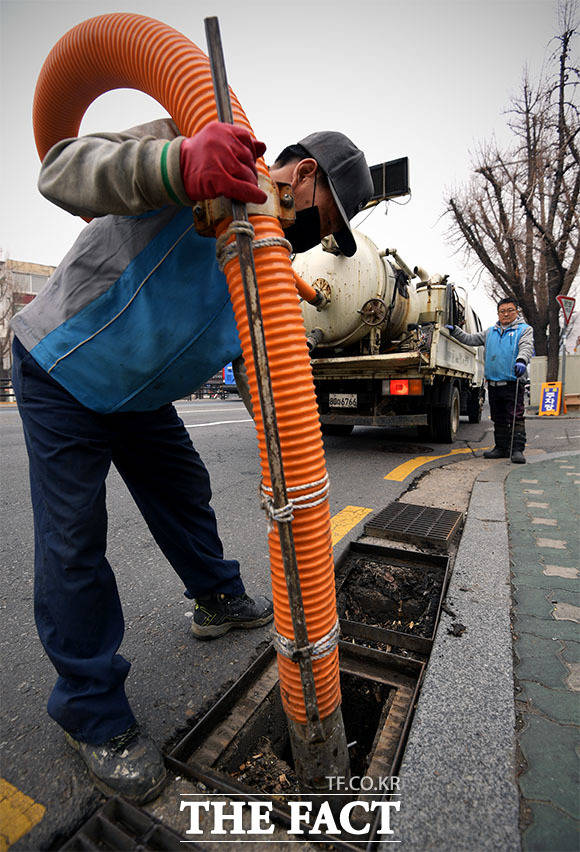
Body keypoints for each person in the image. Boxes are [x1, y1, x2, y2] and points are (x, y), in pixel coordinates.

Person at [11, 118, 373, 803]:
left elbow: (266, 370)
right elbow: (60, 168)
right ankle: (91, 712)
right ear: (303, 174)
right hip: (62, 366)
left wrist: (292, 459)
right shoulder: (197, 138)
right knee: (73, 539)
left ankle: (216, 597)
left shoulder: (268, 263)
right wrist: (177, 166)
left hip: (136, 393)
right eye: (326, 218)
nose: (317, 238)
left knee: (183, 486)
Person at [446, 298, 534, 463]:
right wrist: (455, 331)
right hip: (493, 383)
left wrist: (522, 360)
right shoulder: (490, 332)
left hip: (513, 382)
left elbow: (526, 347)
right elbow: (470, 339)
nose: (506, 314)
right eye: (502, 311)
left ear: (517, 312)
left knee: (515, 417)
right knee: (498, 417)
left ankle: (517, 450)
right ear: (498, 313)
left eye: (510, 310)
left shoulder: (524, 330)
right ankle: (501, 447)